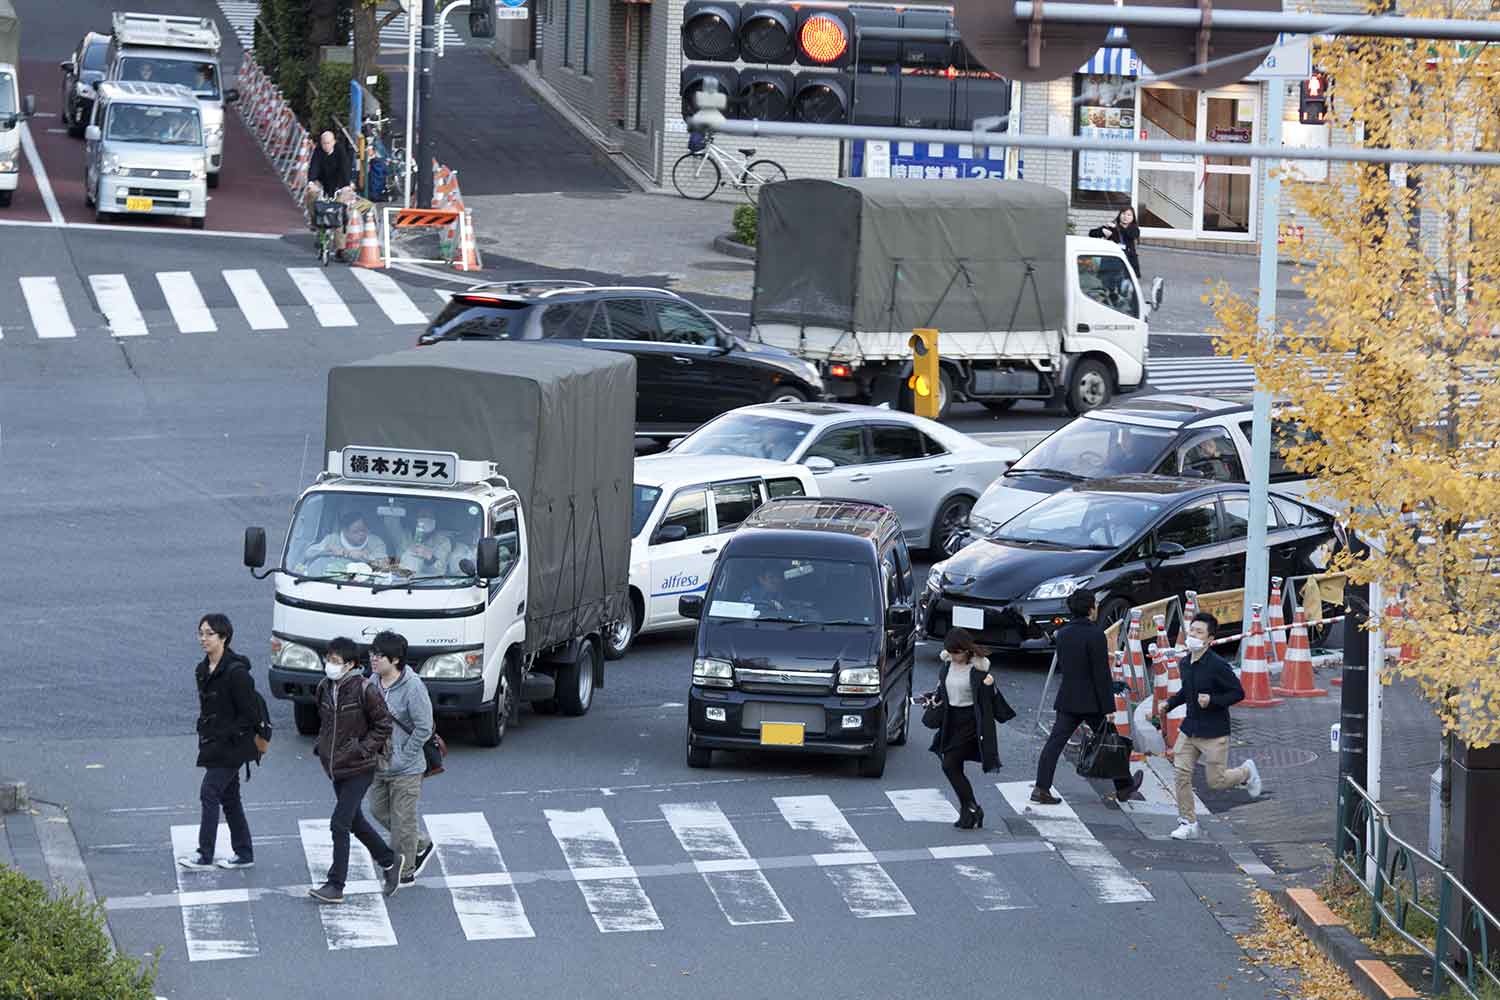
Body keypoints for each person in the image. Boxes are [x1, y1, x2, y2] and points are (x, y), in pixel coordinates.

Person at [1031, 590, 1145, 805]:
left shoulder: (1063, 633)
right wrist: (1109, 707)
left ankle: (1041, 787)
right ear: (1091, 608)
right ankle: (1124, 786)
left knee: (1055, 744)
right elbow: (1100, 674)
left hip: (1068, 697)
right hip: (1091, 701)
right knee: (1111, 739)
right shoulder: (1095, 635)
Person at [310, 637, 401, 902]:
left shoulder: (364, 689)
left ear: (350, 665)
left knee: (339, 823)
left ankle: (335, 885)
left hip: (360, 767)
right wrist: (322, 745)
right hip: (336, 766)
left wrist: (362, 750)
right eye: (329, 659)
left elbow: (383, 725)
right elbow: (326, 721)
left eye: (336, 661)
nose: (330, 665)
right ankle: (389, 861)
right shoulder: (325, 687)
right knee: (354, 821)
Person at [1165, 612, 1263, 840]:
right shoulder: (1185, 663)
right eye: (1192, 630)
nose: (1193, 635)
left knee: (1216, 781)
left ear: (1209, 639)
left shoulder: (1218, 666)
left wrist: (1212, 700)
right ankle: (1188, 822)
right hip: (1190, 728)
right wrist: (1169, 704)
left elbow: (1238, 693)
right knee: (1181, 774)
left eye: (1199, 632)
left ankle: (1246, 772)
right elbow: (1186, 691)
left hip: (1214, 732)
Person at [178, 614, 258, 870]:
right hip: (213, 743)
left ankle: (205, 853)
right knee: (230, 797)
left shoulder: (237, 673)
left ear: (223, 637)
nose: (203, 638)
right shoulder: (202, 669)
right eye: (201, 633)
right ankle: (244, 853)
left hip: (232, 746)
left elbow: (251, 715)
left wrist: (229, 734)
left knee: (209, 792)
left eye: (209, 633)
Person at [367, 631, 436, 887]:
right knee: (377, 810)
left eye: (379, 655)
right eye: (372, 654)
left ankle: (404, 871)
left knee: (402, 819)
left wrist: (404, 756)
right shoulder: (372, 682)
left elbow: (424, 727)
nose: (373, 659)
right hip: (379, 764)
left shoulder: (413, 687)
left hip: (406, 768)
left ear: (395, 660)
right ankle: (420, 843)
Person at [922, 629, 1009, 829]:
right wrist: (935, 698)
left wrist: (989, 685)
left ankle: (971, 808)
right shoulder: (947, 665)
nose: (954, 656)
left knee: (949, 765)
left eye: (958, 652)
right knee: (954, 765)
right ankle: (969, 811)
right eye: (951, 652)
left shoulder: (978, 669)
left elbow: (988, 699)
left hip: (970, 721)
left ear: (967, 650)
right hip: (950, 719)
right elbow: (942, 689)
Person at [304, 130, 355, 250]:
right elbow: (314, 166)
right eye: (323, 143)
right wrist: (311, 182)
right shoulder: (318, 151)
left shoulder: (340, 151)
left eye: (328, 143)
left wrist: (346, 185)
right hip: (322, 182)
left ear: (333, 142)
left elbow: (345, 168)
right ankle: (314, 221)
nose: (326, 146)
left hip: (338, 184)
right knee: (311, 195)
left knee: (340, 211)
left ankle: (340, 249)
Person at [299, 509, 390, 570]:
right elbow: (308, 553)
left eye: (363, 530)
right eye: (355, 532)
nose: (361, 534)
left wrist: (366, 557)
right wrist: (327, 549)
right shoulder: (332, 539)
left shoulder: (375, 542)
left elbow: (385, 564)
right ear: (345, 531)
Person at [389, 506, 453, 577]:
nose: (426, 519)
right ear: (416, 518)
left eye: (430, 516)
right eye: (423, 516)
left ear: (435, 520)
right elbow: (391, 523)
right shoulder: (403, 536)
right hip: (400, 583)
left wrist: (430, 557)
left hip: (427, 585)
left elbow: (440, 571)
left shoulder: (443, 541)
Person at [1089, 206, 1142, 278]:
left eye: (1129, 215)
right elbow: (1091, 233)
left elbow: (1131, 235)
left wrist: (1116, 228)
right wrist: (1102, 231)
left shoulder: (1134, 229)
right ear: (1119, 215)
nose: (1125, 217)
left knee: (1126, 284)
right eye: (1123, 214)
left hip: (1128, 260)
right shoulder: (1112, 225)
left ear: (1133, 218)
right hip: (1111, 261)